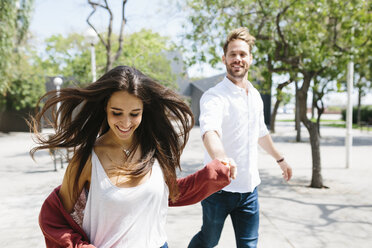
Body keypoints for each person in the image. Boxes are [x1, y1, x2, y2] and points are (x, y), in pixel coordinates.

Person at [29, 65, 237, 248]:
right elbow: (55, 218)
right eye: (117, 113)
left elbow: (171, 194)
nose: (126, 123)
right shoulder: (86, 160)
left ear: (144, 111)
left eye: (134, 113)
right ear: (105, 108)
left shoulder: (156, 150)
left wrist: (214, 173)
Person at [188, 27, 293, 248]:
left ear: (250, 59)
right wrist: (222, 158)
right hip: (218, 189)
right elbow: (210, 131)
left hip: (249, 190)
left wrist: (280, 159)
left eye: (242, 54)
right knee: (208, 241)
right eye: (233, 54)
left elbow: (261, 132)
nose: (238, 59)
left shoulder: (254, 95)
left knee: (249, 246)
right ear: (224, 58)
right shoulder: (214, 96)